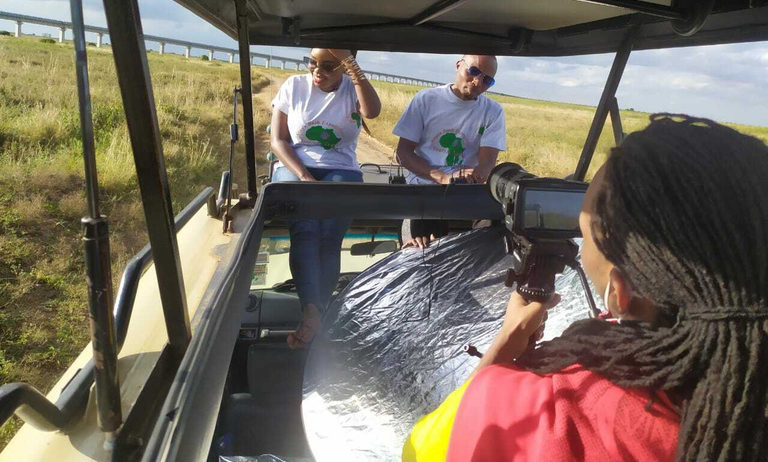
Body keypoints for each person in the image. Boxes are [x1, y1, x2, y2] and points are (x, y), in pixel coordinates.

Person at [403, 114, 768, 461]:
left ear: (619, 293)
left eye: (585, 226)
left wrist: (503, 346)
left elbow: (422, 449)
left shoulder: (549, 415)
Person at [270, 48, 381, 349]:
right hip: (295, 166)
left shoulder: (351, 88)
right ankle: (313, 311)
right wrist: (304, 176)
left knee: (330, 237)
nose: (318, 71)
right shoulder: (294, 86)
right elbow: (278, 140)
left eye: (329, 66)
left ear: (345, 66)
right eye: (313, 63)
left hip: (341, 168)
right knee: (305, 230)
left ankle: (315, 313)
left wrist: (352, 68)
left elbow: (372, 112)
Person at [393, 55, 506, 248]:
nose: (478, 81)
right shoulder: (426, 99)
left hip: (464, 194)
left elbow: (487, 163)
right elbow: (403, 153)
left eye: (487, 79)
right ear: (458, 65)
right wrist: (442, 177)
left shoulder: (493, 111)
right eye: (474, 71)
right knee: (422, 247)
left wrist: (474, 177)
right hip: (424, 189)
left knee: (493, 238)